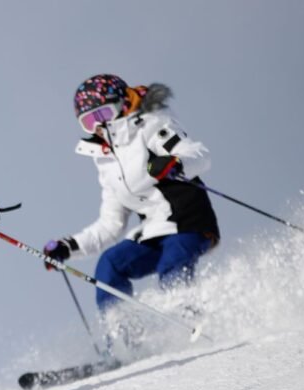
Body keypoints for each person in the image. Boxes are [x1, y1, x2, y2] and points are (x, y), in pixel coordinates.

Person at [43, 73, 219, 352]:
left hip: (188, 222)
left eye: (103, 113)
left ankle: (198, 331)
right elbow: (111, 224)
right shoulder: (105, 159)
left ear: (123, 104)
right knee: (110, 266)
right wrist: (68, 247)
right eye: (89, 120)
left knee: (171, 268)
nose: (99, 124)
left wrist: (174, 163)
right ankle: (128, 347)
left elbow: (200, 155)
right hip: (152, 230)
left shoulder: (153, 125)